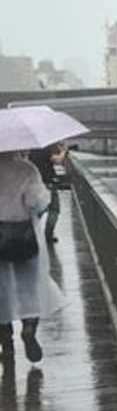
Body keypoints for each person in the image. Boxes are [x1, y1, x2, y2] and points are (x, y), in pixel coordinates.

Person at [0, 152, 65, 363]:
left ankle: (6, 342)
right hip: (24, 236)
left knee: (1, 291)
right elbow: (36, 202)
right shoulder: (27, 170)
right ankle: (29, 329)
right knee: (30, 286)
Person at [27, 144, 65, 244]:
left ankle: (32, 233)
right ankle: (48, 235)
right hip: (49, 182)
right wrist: (63, 152)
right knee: (54, 210)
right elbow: (57, 160)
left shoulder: (32, 149)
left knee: (37, 210)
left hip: (36, 183)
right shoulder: (47, 147)